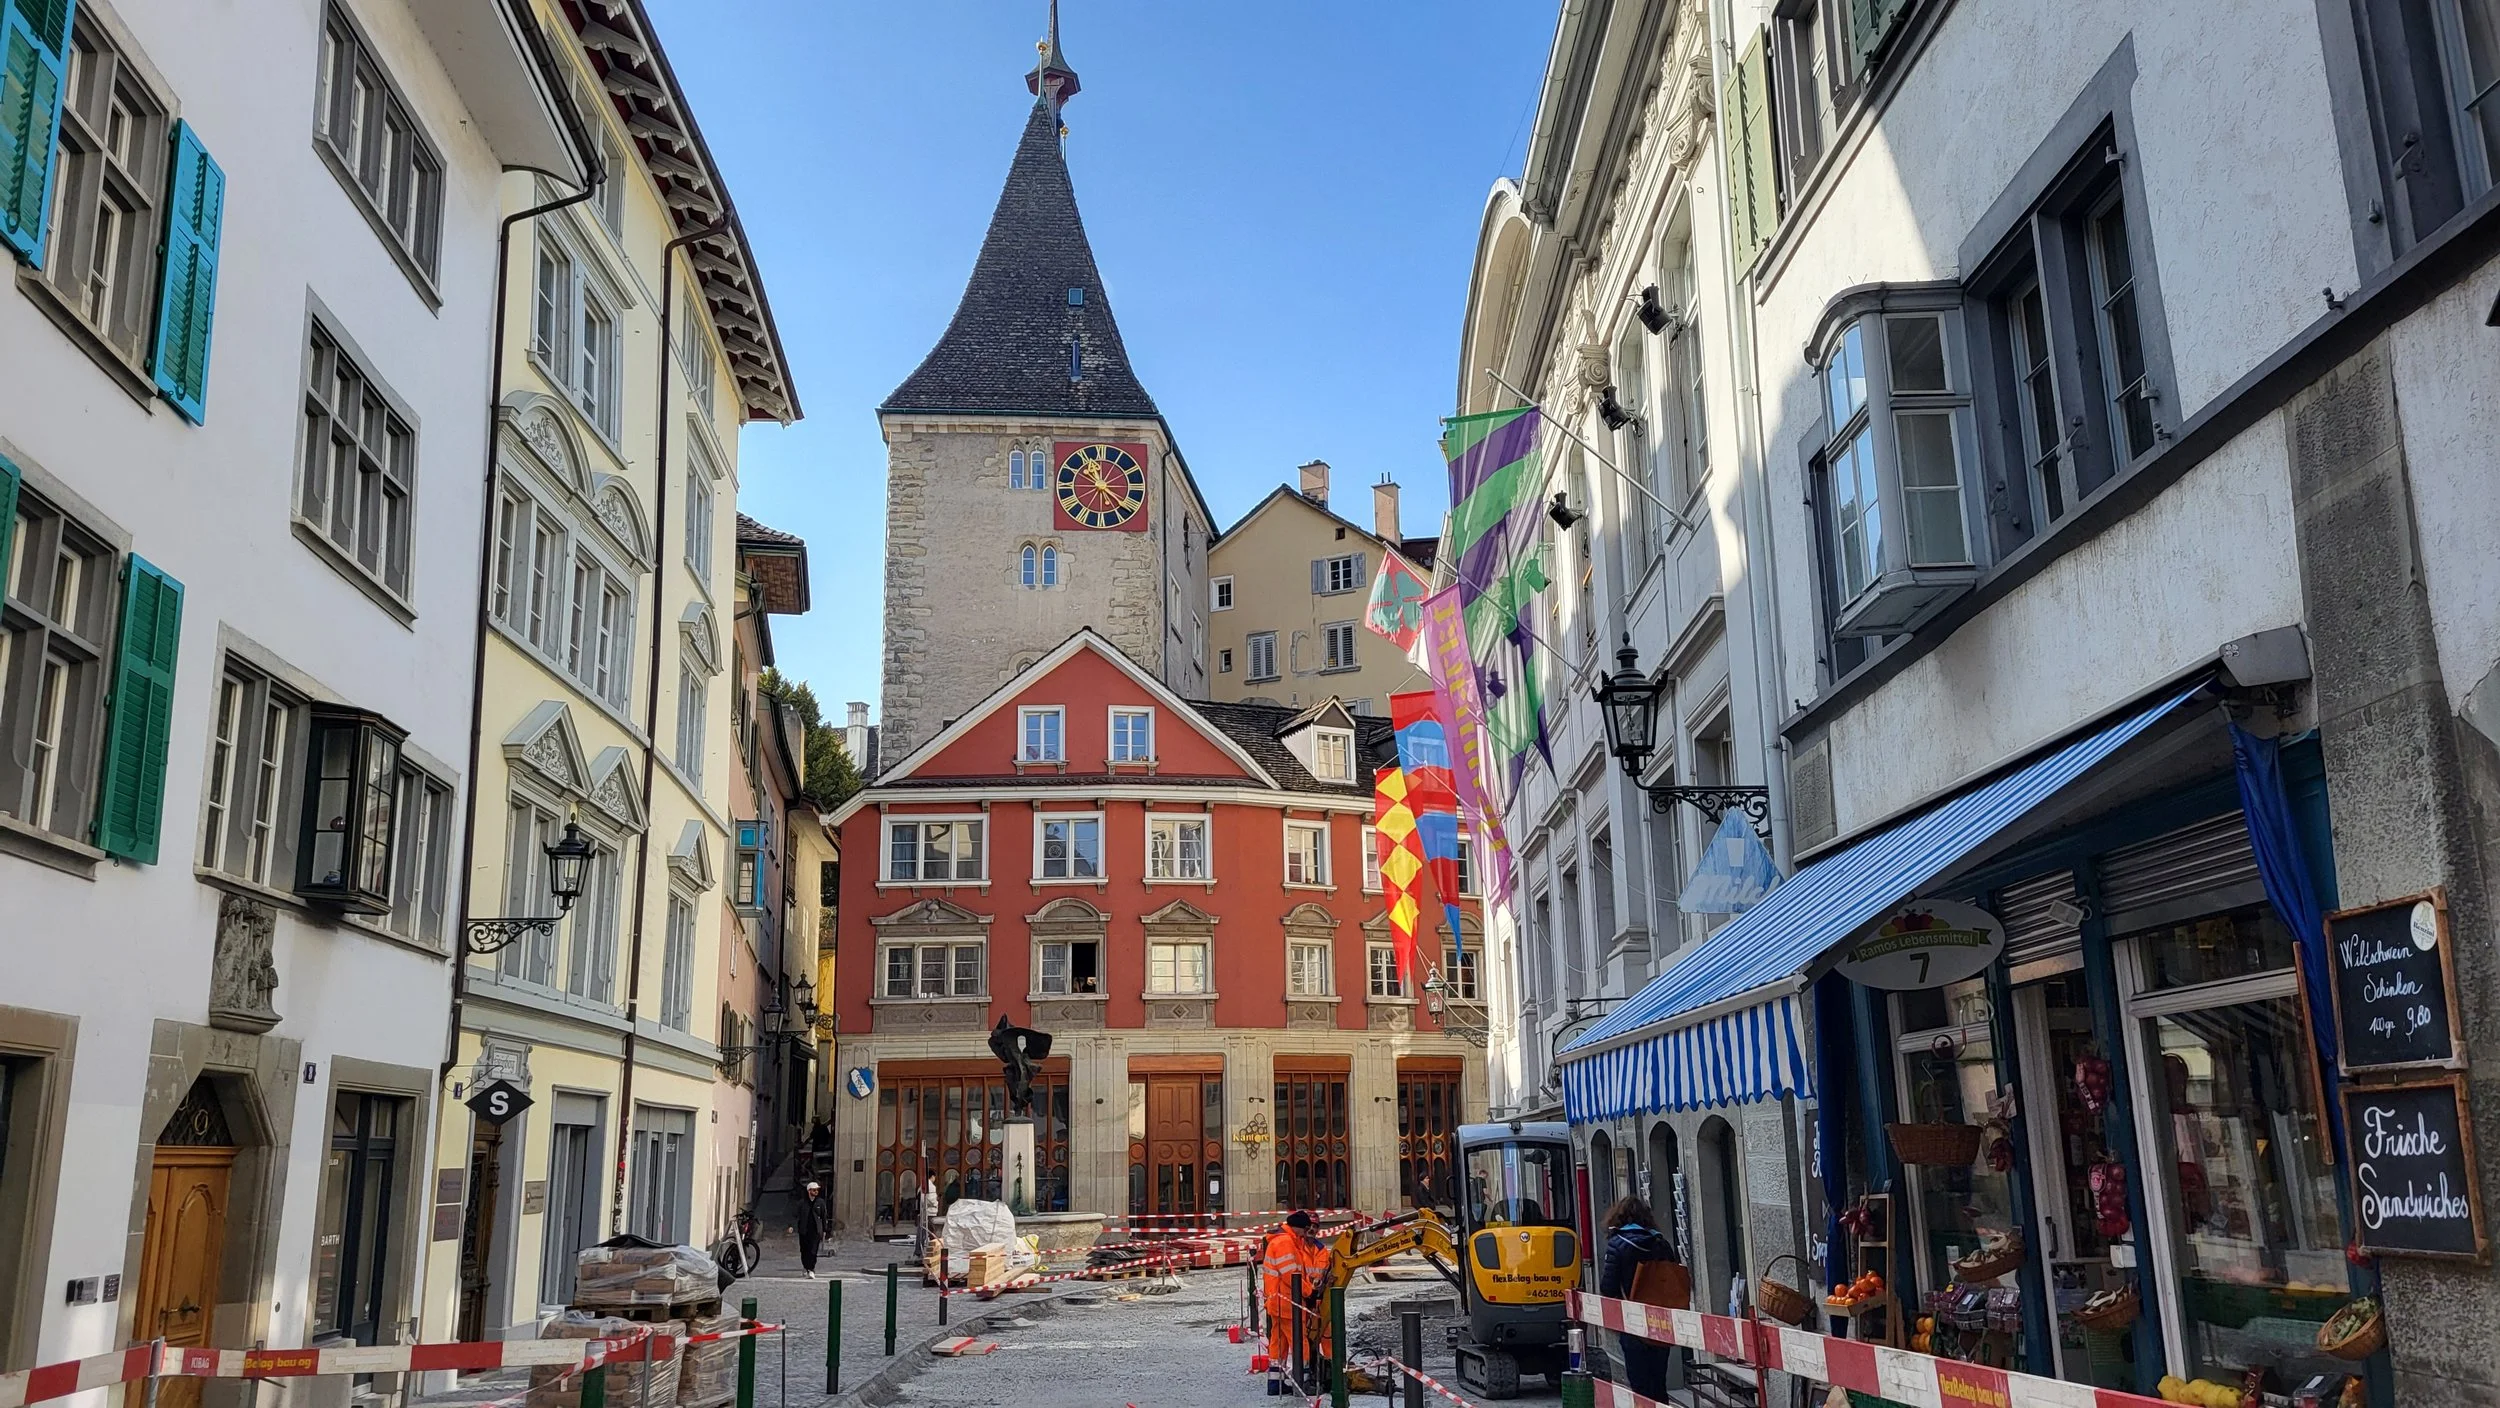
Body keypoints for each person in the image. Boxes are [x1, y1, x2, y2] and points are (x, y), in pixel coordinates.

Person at [1597, 1197, 1681, 1399]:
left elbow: (1607, 1288)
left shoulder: (1617, 1245)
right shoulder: (1661, 1243)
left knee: (1640, 1385)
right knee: (1658, 1382)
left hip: (1632, 1321)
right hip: (1660, 1321)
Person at [1259, 1210, 1334, 1392]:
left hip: (1277, 1301)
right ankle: (1303, 1380)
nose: (1306, 1233)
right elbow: (1291, 1276)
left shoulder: (1284, 1240)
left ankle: (1275, 1382)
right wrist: (1310, 1292)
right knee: (1299, 1341)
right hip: (1288, 1303)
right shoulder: (1286, 1242)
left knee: (1279, 1342)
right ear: (1298, 1227)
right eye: (1306, 1228)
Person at [795, 1179, 832, 1280]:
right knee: (804, 1250)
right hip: (804, 1230)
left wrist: (825, 1230)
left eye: (817, 1190)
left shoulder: (820, 1202)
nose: (816, 1192)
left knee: (813, 1251)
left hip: (816, 1230)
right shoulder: (802, 1203)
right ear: (809, 1191)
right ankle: (806, 1267)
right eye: (814, 1190)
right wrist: (792, 1226)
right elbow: (796, 1216)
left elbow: (824, 1216)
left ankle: (811, 1269)